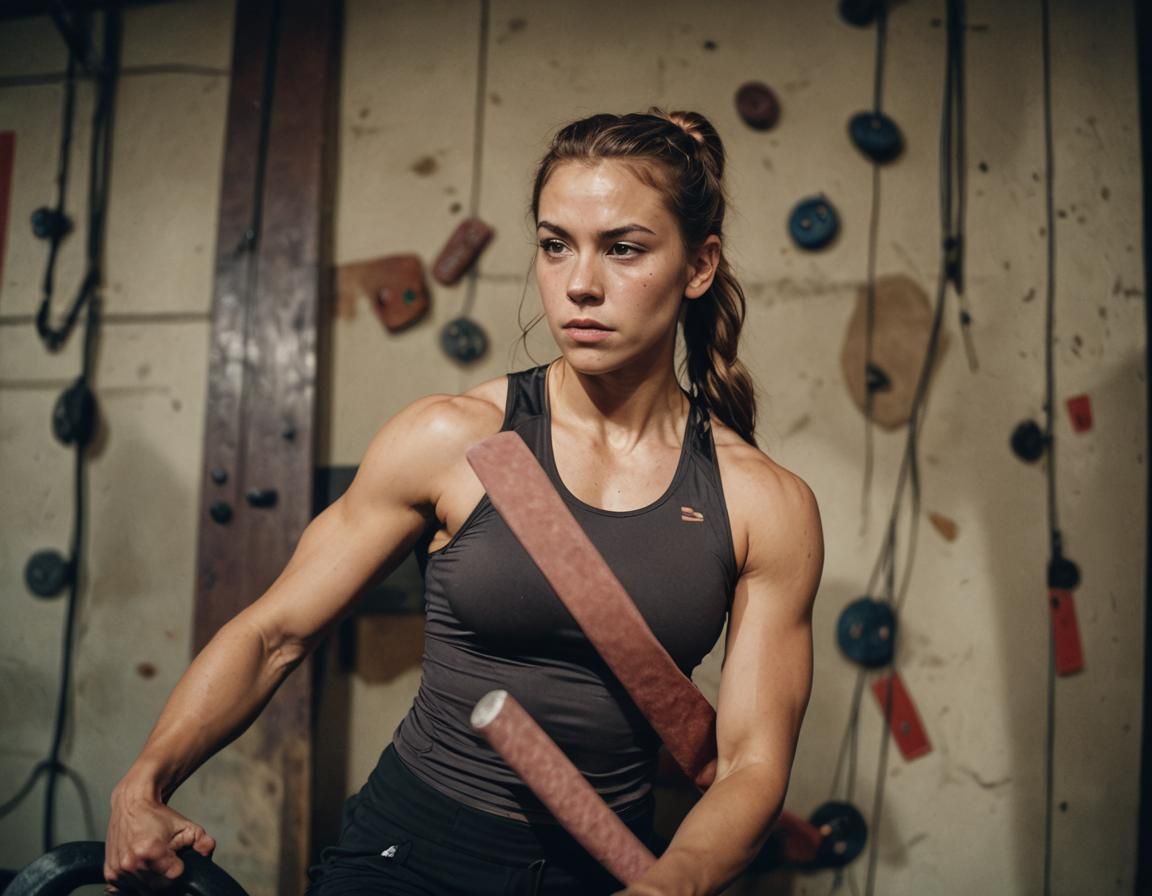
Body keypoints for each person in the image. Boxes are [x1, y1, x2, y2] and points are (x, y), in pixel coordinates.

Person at [104, 109, 823, 896]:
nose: (580, 283)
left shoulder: (761, 502)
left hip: (602, 872)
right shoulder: (455, 439)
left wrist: (671, 883)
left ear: (698, 265)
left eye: (623, 248)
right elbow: (274, 633)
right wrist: (144, 783)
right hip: (408, 852)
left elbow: (753, 765)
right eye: (556, 245)